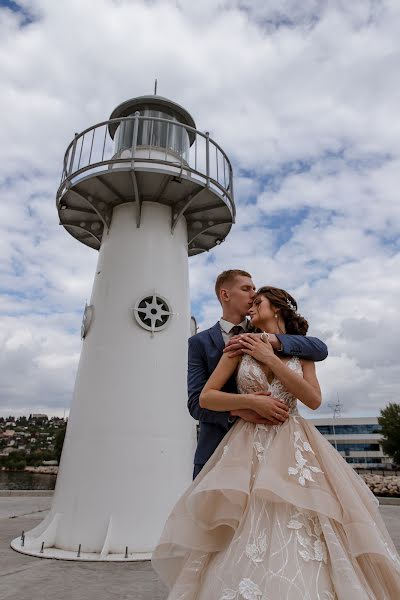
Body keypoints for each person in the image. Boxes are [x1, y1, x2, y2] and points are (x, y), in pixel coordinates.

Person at [152, 286, 400, 599]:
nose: (251, 307)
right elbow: (206, 397)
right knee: (242, 523)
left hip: (295, 447)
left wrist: (271, 357)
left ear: (278, 308)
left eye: (258, 302)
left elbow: (312, 399)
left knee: (302, 521)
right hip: (245, 445)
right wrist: (251, 403)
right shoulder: (240, 346)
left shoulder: (302, 352)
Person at [188, 269, 328, 480]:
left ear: (276, 310)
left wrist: (272, 342)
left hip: (288, 445)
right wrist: (242, 408)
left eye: (255, 292)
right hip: (221, 448)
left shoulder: (283, 343)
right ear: (225, 295)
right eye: (246, 289)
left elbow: (320, 350)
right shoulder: (202, 343)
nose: (252, 295)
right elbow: (197, 402)